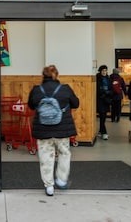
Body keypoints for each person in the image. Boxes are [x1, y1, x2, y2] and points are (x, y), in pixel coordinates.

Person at [27, 64, 80, 197]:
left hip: (43, 130)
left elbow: (31, 106)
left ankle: (49, 186)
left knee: (46, 157)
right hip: (62, 129)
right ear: (56, 75)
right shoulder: (65, 89)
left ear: (43, 76)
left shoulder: (36, 90)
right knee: (64, 153)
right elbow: (76, 103)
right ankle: (61, 179)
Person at [95, 64, 113, 139]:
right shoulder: (97, 78)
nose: (104, 72)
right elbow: (97, 89)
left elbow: (111, 88)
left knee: (103, 117)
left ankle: (100, 131)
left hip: (106, 100)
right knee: (102, 116)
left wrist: (109, 93)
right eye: (103, 70)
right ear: (100, 71)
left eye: (105, 70)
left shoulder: (108, 79)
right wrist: (104, 92)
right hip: (100, 100)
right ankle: (104, 133)